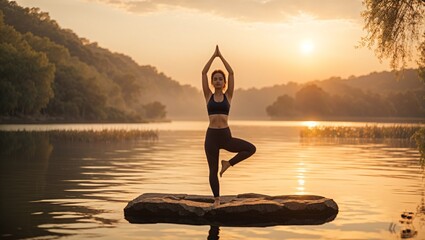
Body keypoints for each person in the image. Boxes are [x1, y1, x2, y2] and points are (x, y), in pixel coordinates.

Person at [202, 45, 256, 207]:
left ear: (224, 82)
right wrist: (213, 56)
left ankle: (228, 164)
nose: (218, 81)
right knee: (212, 170)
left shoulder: (229, 96)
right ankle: (217, 200)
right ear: (212, 82)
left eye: (220, 79)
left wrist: (221, 57)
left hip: (225, 136)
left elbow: (232, 73)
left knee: (251, 149)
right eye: (215, 79)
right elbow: (203, 73)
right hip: (211, 136)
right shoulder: (208, 96)